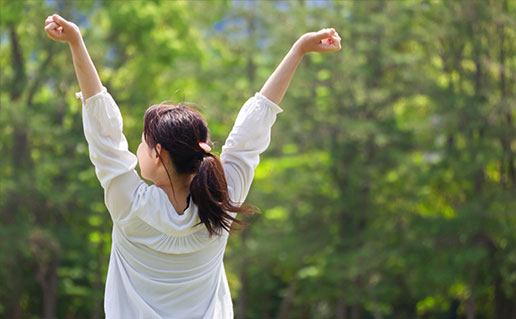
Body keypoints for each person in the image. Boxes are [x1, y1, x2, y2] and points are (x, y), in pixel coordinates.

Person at [44, 13, 341, 319]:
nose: (137, 147)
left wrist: (76, 43)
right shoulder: (221, 200)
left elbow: (103, 131)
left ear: (158, 153)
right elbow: (253, 127)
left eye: (144, 142)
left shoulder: (130, 205)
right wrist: (298, 50)